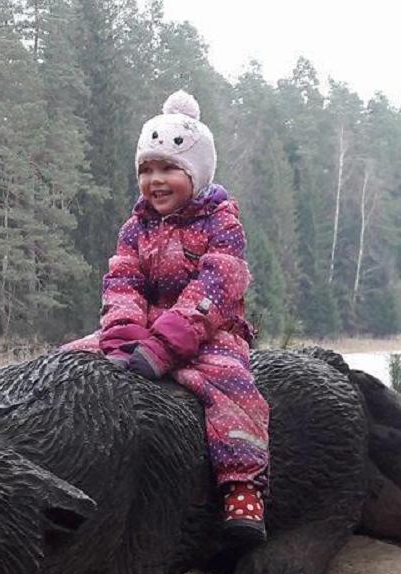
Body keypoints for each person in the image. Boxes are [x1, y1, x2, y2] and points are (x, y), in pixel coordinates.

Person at [63, 90, 270, 546]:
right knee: (69, 360)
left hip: (209, 330)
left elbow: (216, 290)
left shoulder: (222, 223)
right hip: (144, 327)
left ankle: (242, 486)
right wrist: (122, 338)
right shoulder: (135, 228)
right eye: (146, 170)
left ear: (196, 172)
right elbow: (123, 284)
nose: (155, 180)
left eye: (169, 169)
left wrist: (167, 344)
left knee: (233, 389)